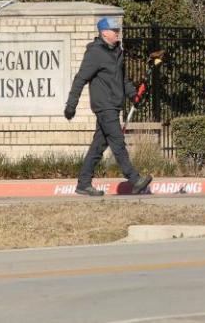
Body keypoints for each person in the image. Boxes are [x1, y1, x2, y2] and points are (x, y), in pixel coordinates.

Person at [65, 17, 152, 196]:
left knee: (98, 147)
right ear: (104, 33)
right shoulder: (95, 53)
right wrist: (71, 105)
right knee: (118, 143)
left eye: (118, 30)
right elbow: (80, 79)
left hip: (114, 105)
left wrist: (133, 95)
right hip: (104, 106)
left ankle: (83, 183)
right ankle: (134, 179)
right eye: (114, 30)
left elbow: (123, 79)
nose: (117, 33)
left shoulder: (117, 52)